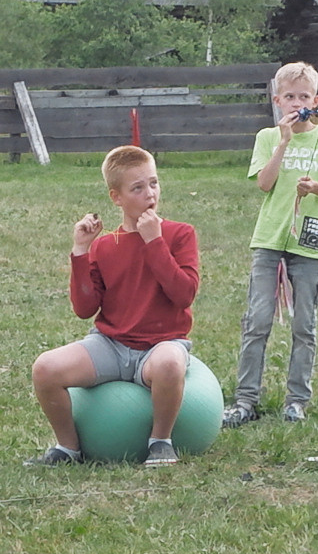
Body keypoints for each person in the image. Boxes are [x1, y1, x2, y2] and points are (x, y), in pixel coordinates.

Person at [29, 146, 201, 469]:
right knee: (45, 368)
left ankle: (160, 442)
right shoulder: (106, 245)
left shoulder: (180, 234)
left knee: (169, 363)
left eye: (154, 183)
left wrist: (154, 242)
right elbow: (84, 308)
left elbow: (184, 294)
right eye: (137, 188)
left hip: (162, 344)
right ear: (116, 197)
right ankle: (68, 447)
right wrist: (81, 250)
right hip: (110, 343)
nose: (150, 194)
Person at [221, 62, 318, 426]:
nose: (297, 103)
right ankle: (246, 399)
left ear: (315, 101)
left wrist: (315, 187)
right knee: (257, 320)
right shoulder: (267, 137)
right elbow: (264, 183)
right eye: (290, 97)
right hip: (269, 239)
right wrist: (283, 142)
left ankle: (296, 400)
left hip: (309, 244)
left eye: (304, 97)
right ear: (277, 101)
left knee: (304, 325)